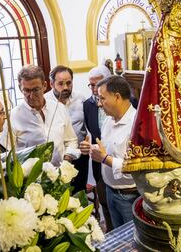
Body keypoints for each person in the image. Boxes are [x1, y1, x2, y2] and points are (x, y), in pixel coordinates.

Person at [80, 75, 138, 229]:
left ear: (117, 97)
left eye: (102, 98)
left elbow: (135, 167)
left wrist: (104, 158)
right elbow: (107, 150)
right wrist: (92, 149)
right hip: (110, 191)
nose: (99, 104)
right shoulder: (108, 121)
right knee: (117, 236)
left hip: (129, 196)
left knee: (132, 241)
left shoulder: (136, 124)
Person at [1, 65, 80, 166]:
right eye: (27, 90)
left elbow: (71, 140)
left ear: (45, 86)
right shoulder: (13, 116)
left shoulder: (59, 108)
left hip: (61, 173)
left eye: (36, 89)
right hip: (29, 179)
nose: (31, 95)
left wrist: (66, 161)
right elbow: (6, 154)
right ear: (20, 88)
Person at [44, 65, 87, 193]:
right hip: (56, 160)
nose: (66, 87)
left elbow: (87, 123)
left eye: (69, 83)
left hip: (79, 155)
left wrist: (88, 142)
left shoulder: (80, 98)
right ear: (52, 84)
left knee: (79, 192)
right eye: (61, 84)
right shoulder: (45, 101)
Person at [83, 67, 113, 231]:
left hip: (119, 161)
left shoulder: (129, 101)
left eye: (97, 84)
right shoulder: (88, 105)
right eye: (91, 85)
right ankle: (109, 231)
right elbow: (91, 131)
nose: (94, 89)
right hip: (98, 163)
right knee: (104, 202)